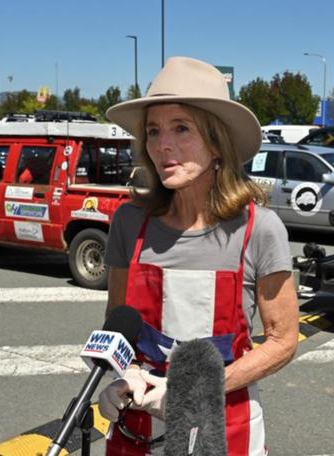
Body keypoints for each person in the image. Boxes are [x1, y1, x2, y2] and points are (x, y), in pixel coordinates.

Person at [98, 56, 299, 455]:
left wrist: (193, 388)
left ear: (217, 142)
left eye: (181, 128)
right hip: (139, 423)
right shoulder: (128, 222)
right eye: (153, 131)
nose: (161, 145)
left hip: (224, 427)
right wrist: (125, 373)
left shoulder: (259, 229)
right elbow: (117, 324)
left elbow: (283, 340)